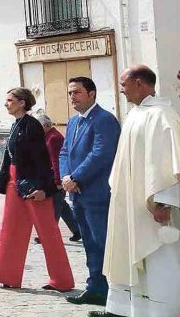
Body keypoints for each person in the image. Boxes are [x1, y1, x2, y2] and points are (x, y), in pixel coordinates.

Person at [97, 66, 180, 317]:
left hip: (152, 207)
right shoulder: (134, 114)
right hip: (130, 204)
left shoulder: (163, 115)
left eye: (124, 83)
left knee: (158, 257)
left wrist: (164, 202)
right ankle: (130, 307)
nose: (121, 89)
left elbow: (170, 161)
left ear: (140, 83)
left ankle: (162, 308)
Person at [0, 88, 73, 292]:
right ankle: (4, 275)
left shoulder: (32, 125)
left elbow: (41, 159)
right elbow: (10, 157)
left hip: (32, 183)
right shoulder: (17, 124)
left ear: (22, 103)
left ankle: (62, 280)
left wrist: (42, 188)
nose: (6, 103)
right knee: (10, 230)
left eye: (10, 100)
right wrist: (4, 182)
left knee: (48, 233)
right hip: (15, 181)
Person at [58, 76, 120, 308]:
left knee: (103, 242)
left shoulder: (104, 120)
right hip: (77, 193)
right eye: (70, 93)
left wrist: (76, 177)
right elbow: (65, 152)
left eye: (77, 92)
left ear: (91, 94)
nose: (72, 97)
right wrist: (66, 177)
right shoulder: (74, 122)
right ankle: (95, 287)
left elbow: (101, 153)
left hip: (97, 193)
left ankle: (114, 291)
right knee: (89, 243)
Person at [36, 114, 81, 243]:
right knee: (62, 206)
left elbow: (56, 160)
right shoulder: (48, 136)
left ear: (45, 126)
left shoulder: (53, 138)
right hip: (52, 177)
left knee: (54, 207)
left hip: (56, 178)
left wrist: (58, 180)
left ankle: (47, 235)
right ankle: (77, 230)